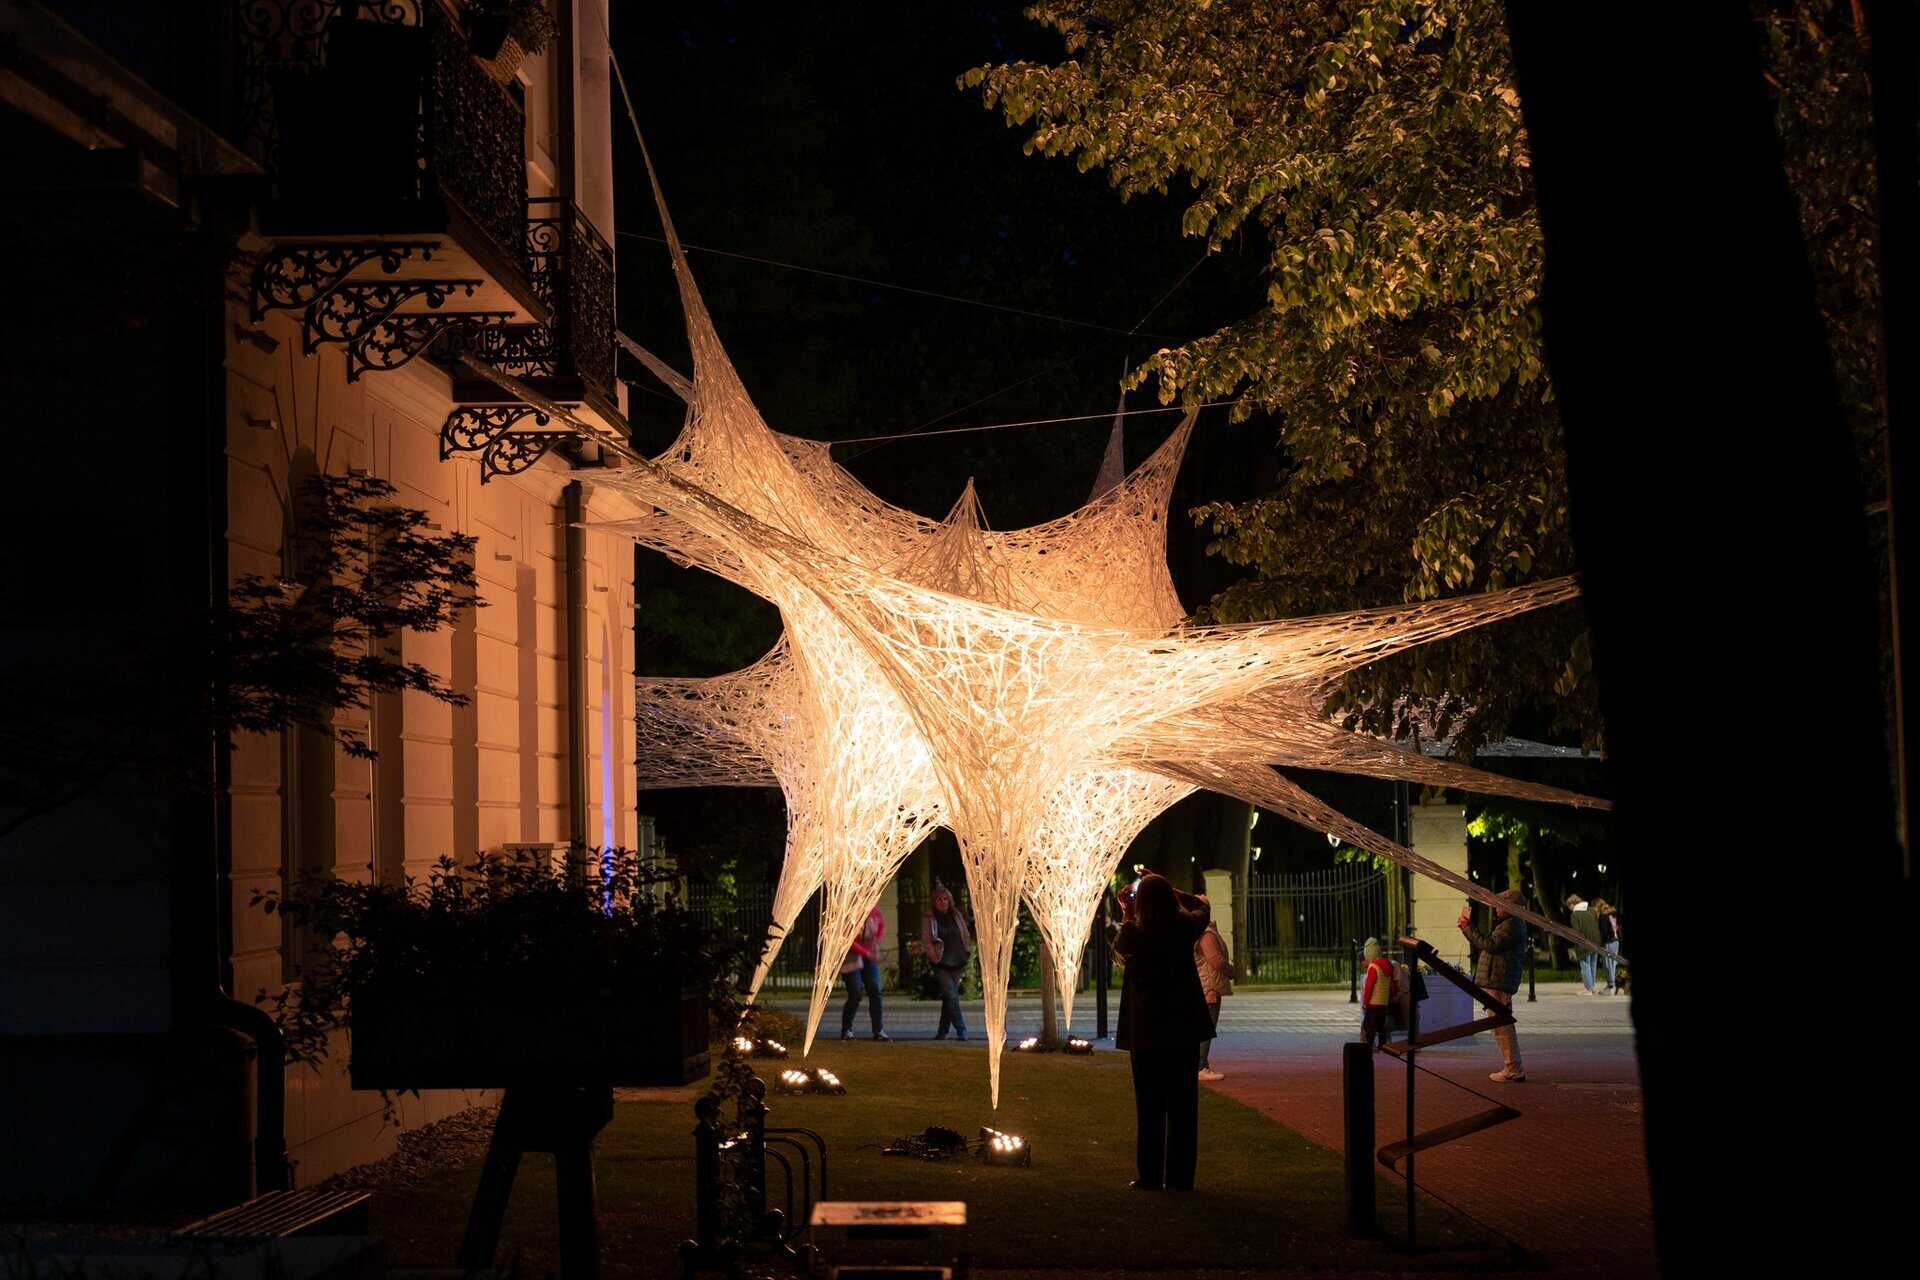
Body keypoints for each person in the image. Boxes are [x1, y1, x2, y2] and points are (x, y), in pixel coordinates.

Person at [1114, 873, 1216, 1191]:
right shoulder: (1185, 927)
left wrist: (1128, 911)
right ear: (1170, 899)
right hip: (1182, 1029)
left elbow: (1120, 949)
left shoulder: (1134, 932)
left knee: (1150, 1106)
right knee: (1184, 1107)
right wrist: (1176, 891)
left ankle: (1150, 1175)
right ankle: (1181, 1178)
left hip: (1147, 1032)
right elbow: (1203, 906)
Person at [1458, 888, 1528, 1082]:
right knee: (1500, 1025)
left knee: (1501, 1026)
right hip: (1498, 979)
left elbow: (1491, 945)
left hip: (1499, 980)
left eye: (1500, 905)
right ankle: (1512, 1066)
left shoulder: (1511, 925)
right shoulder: (1510, 923)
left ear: (1510, 907)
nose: (1496, 908)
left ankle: (1513, 1068)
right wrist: (1467, 929)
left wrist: (1468, 928)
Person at [921, 880, 972, 1041]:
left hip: (957, 959)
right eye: (939, 899)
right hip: (941, 961)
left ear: (949, 900)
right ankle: (961, 1029)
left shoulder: (956, 915)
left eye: (945, 899)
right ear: (934, 901)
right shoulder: (929, 917)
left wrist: (967, 950)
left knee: (949, 997)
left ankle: (942, 1031)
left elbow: (964, 933)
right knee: (951, 994)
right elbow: (926, 939)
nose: (942, 902)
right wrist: (933, 956)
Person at [1194, 910, 1236, 1082]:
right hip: (1209, 987)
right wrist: (1231, 971)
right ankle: (1201, 1066)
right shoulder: (1206, 934)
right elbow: (1216, 960)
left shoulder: (1198, 931)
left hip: (1205, 984)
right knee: (1206, 1028)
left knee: (1201, 1028)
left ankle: (1198, 1065)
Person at [839, 904, 889, 1041]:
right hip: (851, 956)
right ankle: (847, 1029)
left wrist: (877, 941)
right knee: (855, 991)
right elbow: (848, 939)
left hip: (869, 953)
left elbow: (881, 924)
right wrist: (867, 953)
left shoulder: (874, 909)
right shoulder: (849, 912)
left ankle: (878, 1030)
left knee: (875, 989)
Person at [1359, 936, 1399, 1050]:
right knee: (1381, 1026)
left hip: (1373, 1004)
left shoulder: (1373, 967)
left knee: (1369, 1027)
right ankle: (1382, 1045)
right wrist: (1391, 996)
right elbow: (1392, 985)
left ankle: (1369, 1046)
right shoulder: (1388, 965)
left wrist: (1365, 1003)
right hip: (1383, 1003)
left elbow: (1369, 987)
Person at [1566, 893, 1603, 993]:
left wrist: (1577, 945)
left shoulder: (1575, 915)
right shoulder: (1591, 910)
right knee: (1593, 964)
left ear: (1572, 904)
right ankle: (1592, 987)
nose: (1570, 908)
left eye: (1569, 906)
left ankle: (1588, 989)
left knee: (1585, 964)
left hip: (1585, 942)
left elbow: (1576, 931)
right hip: (1596, 941)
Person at [1595, 898, 1622, 994]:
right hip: (1616, 941)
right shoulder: (1613, 915)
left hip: (1608, 943)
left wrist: (1601, 944)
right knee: (1613, 965)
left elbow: (1604, 932)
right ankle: (1611, 985)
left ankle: (1611, 986)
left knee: (1608, 965)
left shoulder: (1603, 917)